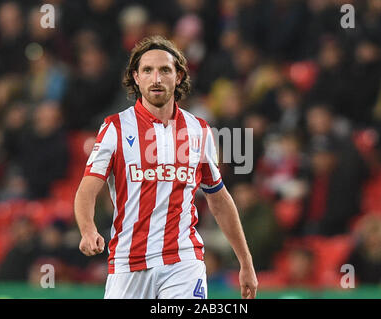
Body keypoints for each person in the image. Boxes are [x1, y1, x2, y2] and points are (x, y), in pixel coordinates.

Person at [74, 36, 258, 299]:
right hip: (129, 262)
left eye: (165, 70)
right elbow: (87, 190)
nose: (156, 78)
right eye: (147, 70)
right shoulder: (115, 128)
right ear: (136, 77)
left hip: (183, 260)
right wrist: (88, 229)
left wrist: (246, 263)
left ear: (179, 76)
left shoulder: (199, 130)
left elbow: (219, 199)